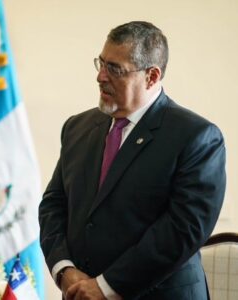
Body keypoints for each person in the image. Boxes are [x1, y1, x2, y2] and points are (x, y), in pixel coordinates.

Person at [39, 21, 226, 300]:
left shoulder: (197, 137)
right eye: (101, 63)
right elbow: (54, 205)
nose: (101, 77)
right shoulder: (77, 127)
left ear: (151, 76)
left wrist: (105, 286)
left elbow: (182, 231)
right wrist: (65, 270)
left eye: (115, 69)